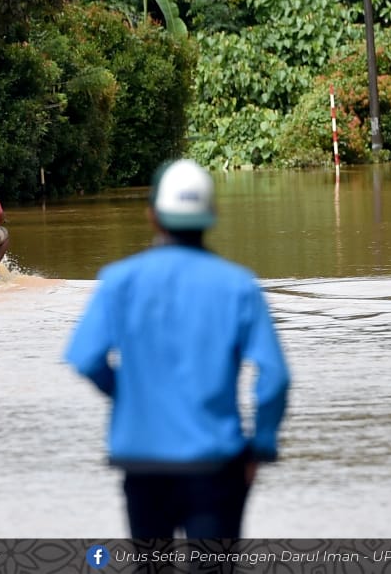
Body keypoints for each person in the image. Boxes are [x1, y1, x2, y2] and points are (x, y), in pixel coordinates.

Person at [64, 159, 290, 538]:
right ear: (212, 214)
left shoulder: (119, 281)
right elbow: (275, 376)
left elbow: (85, 357)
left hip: (142, 459)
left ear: (152, 215)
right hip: (216, 462)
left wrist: (125, 391)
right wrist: (261, 444)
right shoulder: (238, 286)